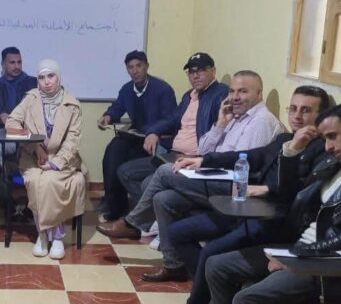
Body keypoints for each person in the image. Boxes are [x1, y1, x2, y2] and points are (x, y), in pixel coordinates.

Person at [203, 103, 341, 304]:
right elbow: (287, 194)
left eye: (334, 136)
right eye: (324, 138)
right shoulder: (334, 164)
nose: (327, 146)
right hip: (297, 250)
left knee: (247, 299)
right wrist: (292, 152)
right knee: (217, 265)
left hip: (326, 266)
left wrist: (298, 259)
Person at [160, 86, 330, 304]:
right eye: (293, 108)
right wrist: (203, 160)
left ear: (322, 116)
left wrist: (268, 189)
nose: (297, 116)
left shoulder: (322, 150)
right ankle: (212, 300)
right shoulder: (284, 138)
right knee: (178, 232)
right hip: (246, 210)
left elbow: (305, 192)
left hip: (272, 222)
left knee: (211, 253)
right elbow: (252, 156)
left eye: (306, 110)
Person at [97, 70, 285, 243]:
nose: (235, 97)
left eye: (243, 91)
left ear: (259, 94)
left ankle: (133, 223)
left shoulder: (261, 121)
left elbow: (242, 165)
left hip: (234, 186)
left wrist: (203, 165)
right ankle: (173, 260)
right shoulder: (234, 116)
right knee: (163, 198)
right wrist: (220, 124)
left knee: (165, 171)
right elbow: (203, 148)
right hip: (214, 173)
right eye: (232, 91)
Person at [115, 52, 229, 205]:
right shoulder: (189, 95)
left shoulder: (220, 94)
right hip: (172, 153)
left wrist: (200, 159)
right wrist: (153, 132)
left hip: (192, 158)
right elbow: (172, 118)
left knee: (147, 183)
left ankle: (144, 215)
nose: (195, 76)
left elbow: (218, 133)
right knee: (124, 170)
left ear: (213, 71)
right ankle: (149, 214)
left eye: (200, 71)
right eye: (191, 72)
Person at [6, 59, 86, 259]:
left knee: (49, 181)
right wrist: (34, 146)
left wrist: (55, 163)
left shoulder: (72, 104)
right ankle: (44, 235)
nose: (46, 82)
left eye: (51, 76)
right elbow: (12, 122)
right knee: (34, 181)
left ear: (59, 77)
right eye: (41, 77)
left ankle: (55, 236)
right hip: (32, 159)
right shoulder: (31, 98)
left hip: (63, 159)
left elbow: (73, 140)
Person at [97, 50, 177, 220]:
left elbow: (171, 119)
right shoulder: (127, 89)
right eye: (130, 67)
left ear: (146, 66)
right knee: (113, 151)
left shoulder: (163, 89)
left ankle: (145, 210)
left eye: (138, 66)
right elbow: (117, 107)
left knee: (125, 160)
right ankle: (115, 204)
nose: (135, 71)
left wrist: (154, 131)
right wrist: (108, 116)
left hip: (159, 139)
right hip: (137, 136)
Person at [0, 47, 38, 162]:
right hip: (8, 132)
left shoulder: (33, 83)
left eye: (19, 62)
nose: (17, 66)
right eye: (12, 63)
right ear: (3, 64)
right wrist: (3, 116)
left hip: (33, 131)